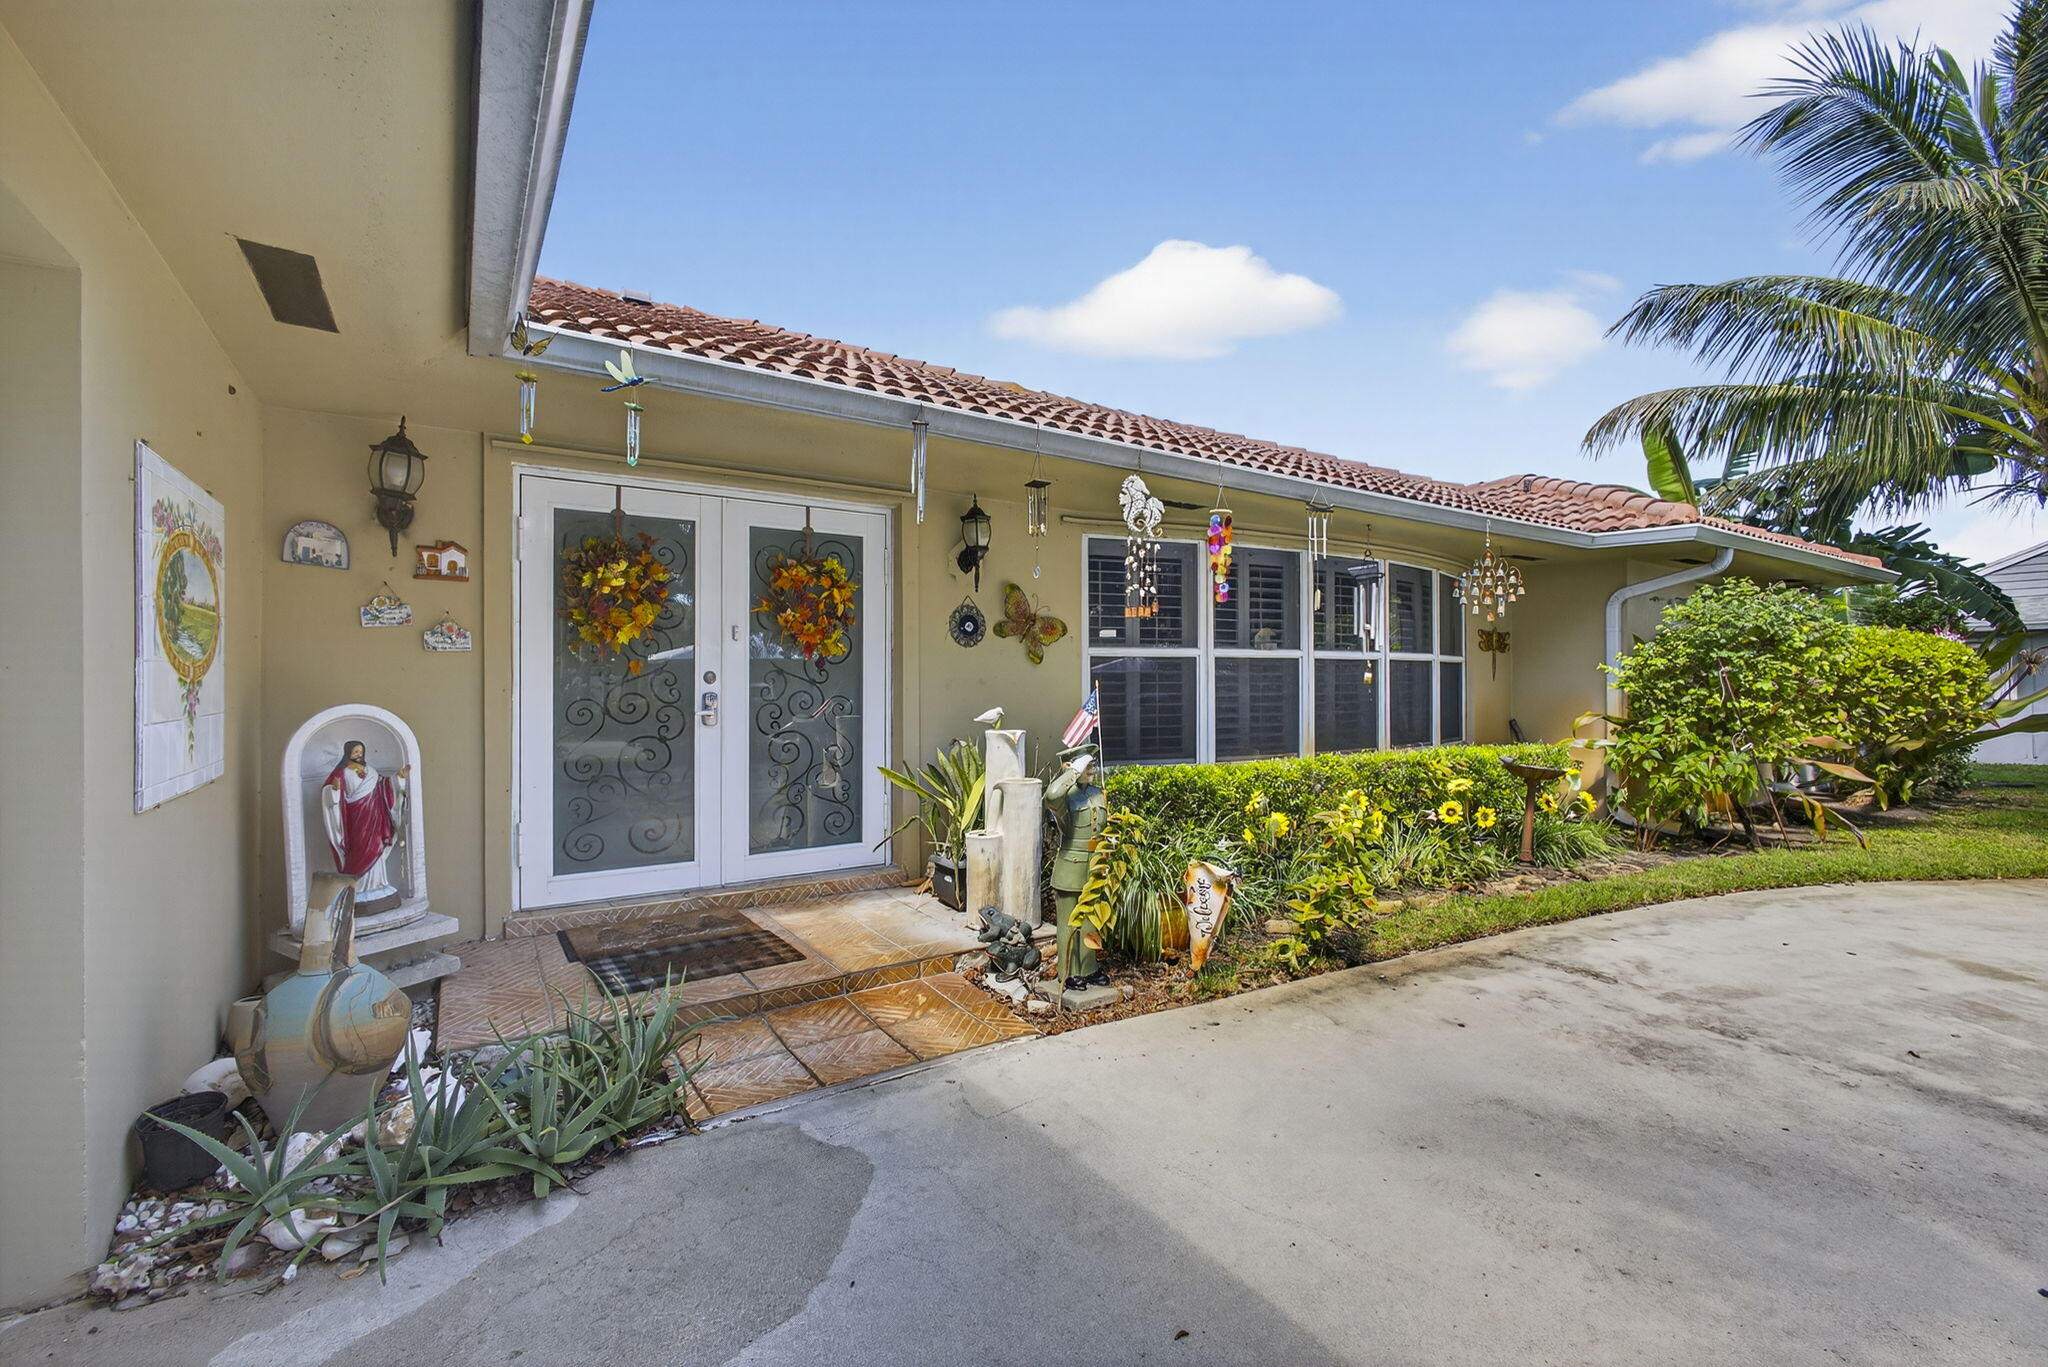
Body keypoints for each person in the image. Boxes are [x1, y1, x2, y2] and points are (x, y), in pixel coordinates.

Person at [1044, 746, 1112, 993]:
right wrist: (1073, 771)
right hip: (1070, 865)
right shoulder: (1065, 797)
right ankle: (1068, 972)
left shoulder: (1097, 793)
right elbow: (1051, 795)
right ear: (1070, 768)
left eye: (1091, 763)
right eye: (1085, 765)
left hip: (1094, 865)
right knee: (1068, 922)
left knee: (1090, 921)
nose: (1091, 768)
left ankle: (1088, 968)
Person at [322, 740, 410, 908]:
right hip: (356, 820)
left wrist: (398, 777)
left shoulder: (371, 771)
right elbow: (331, 795)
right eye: (355, 752)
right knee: (360, 850)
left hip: (376, 818)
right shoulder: (341, 773)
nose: (359, 754)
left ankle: (379, 884)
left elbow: (384, 786)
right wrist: (334, 790)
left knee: (376, 848)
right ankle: (358, 888)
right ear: (348, 753)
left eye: (360, 751)